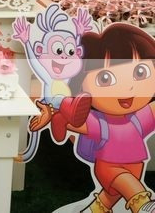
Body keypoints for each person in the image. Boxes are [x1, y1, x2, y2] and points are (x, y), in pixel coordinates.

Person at [64, 24, 155, 213]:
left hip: (136, 166)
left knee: (109, 197)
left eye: (140, 73)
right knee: (132, 189)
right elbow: (76, 122)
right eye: (105, 78)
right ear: (81, 85)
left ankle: (93, 211)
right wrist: (59, 114)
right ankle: (145, 207)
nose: (128, 87)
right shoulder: (101, 123)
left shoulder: (140, 118)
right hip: (109, 167)